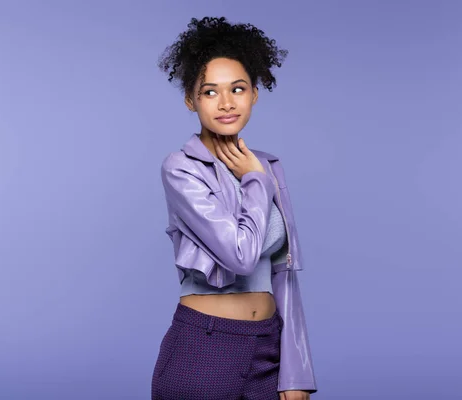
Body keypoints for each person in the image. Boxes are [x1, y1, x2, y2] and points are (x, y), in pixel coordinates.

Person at [152, 16, 317, 400]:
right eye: (210, 92)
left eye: (237, 89)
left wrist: (296, 373)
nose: (226, 103)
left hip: (268, 350)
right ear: (191, 100)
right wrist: (255, 181)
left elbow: (284, 275)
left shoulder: (267, 164)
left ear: (254, 94)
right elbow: (240, 257)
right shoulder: (181, 169)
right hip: (204, 347)